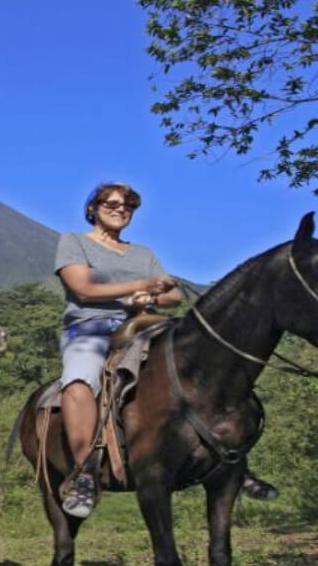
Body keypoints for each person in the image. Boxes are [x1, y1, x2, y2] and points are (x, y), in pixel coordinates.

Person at [53, 182, 277, 518]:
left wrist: (151, 298)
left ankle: (233, 461)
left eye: (128, 205)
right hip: (92, 327)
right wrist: (141, 286)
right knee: (80, 379)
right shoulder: (74, 242)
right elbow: (82, 289)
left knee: (206, 370)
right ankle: (84, 472)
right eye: (110, 203)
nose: (120, 209)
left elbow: (173, 296)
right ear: (93, 209)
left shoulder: (144, 254)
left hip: (146, 325)